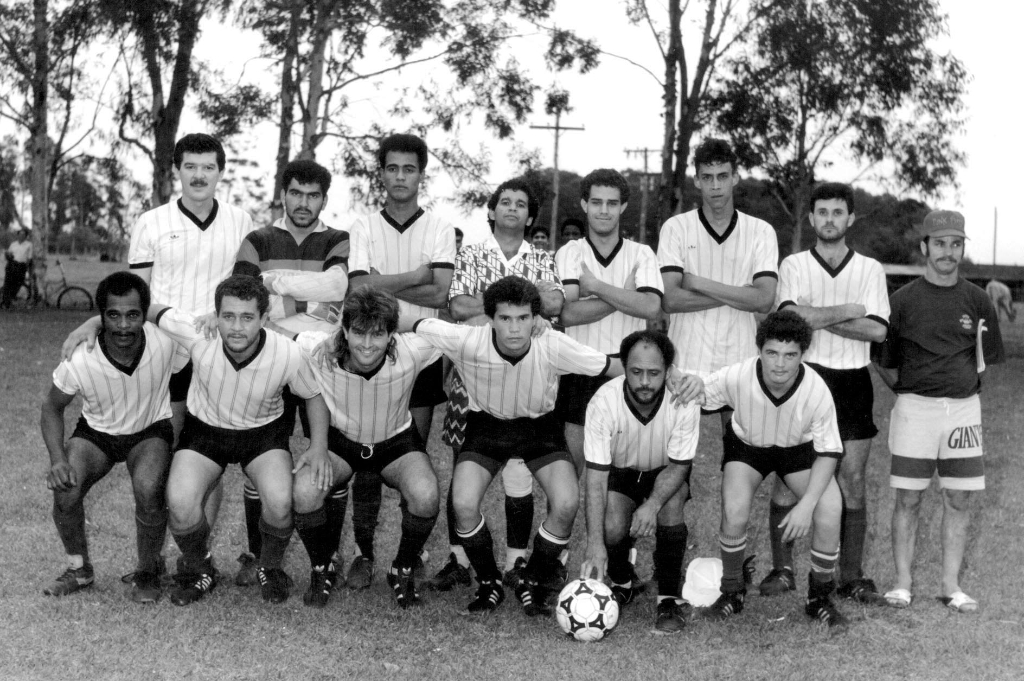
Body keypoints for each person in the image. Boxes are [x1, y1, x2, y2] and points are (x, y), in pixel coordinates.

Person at [411, 276, 617, 615]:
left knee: (566, 503)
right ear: (490, 318)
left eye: (523, 318)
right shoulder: (467, 339)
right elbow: (412, 321)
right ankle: (490, 582)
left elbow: (612, 365)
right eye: (505, 319)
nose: (514, 329)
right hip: (486, 428)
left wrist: (674, 377)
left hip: (540, 430)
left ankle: (531, 576)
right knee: (463, 503)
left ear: (535, 318)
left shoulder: (552, 343)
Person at [148, 275, 330, 605]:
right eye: (228, 316)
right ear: (214, 315)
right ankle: (201, 568)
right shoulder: (197, 332)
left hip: (262, 434)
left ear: (264, 318)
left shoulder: (287, 353)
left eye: (247, 318)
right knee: (179, 502)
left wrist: (318, 446)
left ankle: (270, 567)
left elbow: (313, 395)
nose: (236, 327)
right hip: (206, 430)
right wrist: (90, 324)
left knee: (279, 502)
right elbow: (146, 308)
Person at [429, 178, 564, 593]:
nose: (511, 209)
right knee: (465, 466)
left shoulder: (543, 257)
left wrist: (489, 309)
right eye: (504, 202)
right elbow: (457, 305)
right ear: (491, 210)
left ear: (530, 215)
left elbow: (555, 303)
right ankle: (459, 558)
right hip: (471, 377)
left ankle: (515, 561)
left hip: (528, 377)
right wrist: (518, 307)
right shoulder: (470, 253)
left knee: (519, 471)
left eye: (520, 204)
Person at [762, 182, 890, 603]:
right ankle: (782, 570)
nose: (830, 219)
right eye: (823, 212)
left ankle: (850, 575)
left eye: (838, 212)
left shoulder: (869, 268)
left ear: (850, 218)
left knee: (852, 479)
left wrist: (814, 317)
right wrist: (850, 309)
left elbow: (876, 330)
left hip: (853, 380)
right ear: (811, 218)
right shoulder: (794, 264)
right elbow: (788, 319)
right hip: (805, 378)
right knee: (788, 477)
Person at [874, 210, 1003, 613]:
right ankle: (902, 583)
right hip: (915, 411)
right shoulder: (903, 300)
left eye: (956, 243)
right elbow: (883, 359)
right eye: (941, 243)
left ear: (963, 248)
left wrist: (957, 391)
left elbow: (985, 359)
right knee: (908, 500)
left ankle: (951, 586)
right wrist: (908, 392)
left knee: (959, 501)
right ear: (924, 247)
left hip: (963, 412)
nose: (949, 252)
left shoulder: (978, 299)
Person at [344, 133, 456, 589]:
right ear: (382, 173)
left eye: (409, 169)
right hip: (370, 351)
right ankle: (362, 553)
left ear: (421, 174)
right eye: (392, 168)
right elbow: (357, 290)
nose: (400, 177)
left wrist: (379, 284)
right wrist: (413, 276)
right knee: (367, 455)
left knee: (412, 451)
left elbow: (441, 293)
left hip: (423, 352)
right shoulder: (364, 225)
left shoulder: (440, 227)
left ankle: (412, 554)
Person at [231, 158, 350, 586]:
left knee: (328, 454)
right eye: (296, 193)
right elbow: (245, 298)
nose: (303, 203)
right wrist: (306, 305)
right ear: (283, 193)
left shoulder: (338, 239)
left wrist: (274, 282)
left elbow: (337, 289)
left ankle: (330, 556)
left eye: (313, 195)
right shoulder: (257, 239)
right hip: (271, 358)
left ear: (323, 199)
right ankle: (258, 556)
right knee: (260, 456)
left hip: (322, 360)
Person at [283, 286, 440, 609]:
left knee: (426, 495)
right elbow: (275, 334)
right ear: (344, 330)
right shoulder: (319, 349)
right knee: (304, 492)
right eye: (358, 333)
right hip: (343, 441)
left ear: (392, 334)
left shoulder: (413, 350)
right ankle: (322, 566)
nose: (367, 345)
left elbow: (462, 332)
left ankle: (403, 568)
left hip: (395, 441)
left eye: (378, 334)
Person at [40, 272, 187, 602]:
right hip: (98, 433)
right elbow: (51, 408)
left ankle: (148, 570)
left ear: (144, 314)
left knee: (148, 488)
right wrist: (58, 460)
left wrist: (176, 436)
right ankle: (79, 570)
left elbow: (182, 380)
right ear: (100, 316)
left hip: (149, 430)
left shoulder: (165, 342)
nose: (123, 325)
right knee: (67, 489)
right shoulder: (80, 358)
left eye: (133, 314)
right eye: (113, 315)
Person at [702, 310, 847, 627]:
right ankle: (732, 591)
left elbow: (829, 452)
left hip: (798, 450)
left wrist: (806, 505)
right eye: (772, 353)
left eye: (790, 355)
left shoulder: (816, 390)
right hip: (749, 447)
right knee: (735, 510)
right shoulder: (738, 375)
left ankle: (818, 597)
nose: (780, 363)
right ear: (760, 351)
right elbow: (699, 391)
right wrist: (683, 382)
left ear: (802, 355)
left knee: (830, 508)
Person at [555, 168, 662, 589]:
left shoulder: (642, 254)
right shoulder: (569, 252)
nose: (603, 210)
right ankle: (559, 557)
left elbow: (652, 307)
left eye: (611, 203)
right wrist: (625, 298)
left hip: (628, 374)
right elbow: (566, 313)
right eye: (595, 202)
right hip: (579, 369)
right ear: (583, 205)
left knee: (621, 473)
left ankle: (620, 566)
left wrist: (597, 287)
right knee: (572, 470)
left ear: (623, 207)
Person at [657, 138, 778, 470]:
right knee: (674, 466)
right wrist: (739, 294)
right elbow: (670, 299)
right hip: (684, 359)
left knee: (739, 464)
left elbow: (765, 299)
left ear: (735, 177)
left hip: (740, 360)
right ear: (696, 179)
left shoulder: (761, 232)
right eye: (707, 177)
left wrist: (697, 281)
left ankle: (730, 524)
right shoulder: (676, 228)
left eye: (722, 176)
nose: (715, 186)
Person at [579, 330, 700, 634]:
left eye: (654, 373)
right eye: (636, 372)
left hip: (665, 473)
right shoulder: (603, 402)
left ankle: (668, 598)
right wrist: (595, 543)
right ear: (623, 366)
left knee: (671, 506)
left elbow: (679, 466)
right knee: (611, 524)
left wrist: (652, 504)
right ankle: (624, 583)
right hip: (621, 473)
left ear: (669, 371)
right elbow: (595, 479)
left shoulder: (684, 400)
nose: (645, 381)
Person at [2, 228, 33, 308]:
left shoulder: (29, 245)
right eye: (20, 234)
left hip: (21, 266)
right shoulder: (13, 244)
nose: (21, 236)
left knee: (17, 284)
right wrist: (7, 255)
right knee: (7, 284)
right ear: (18, 235)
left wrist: (26, 268)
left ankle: (11, 299)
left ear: (26, 236)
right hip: (12, 265)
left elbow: (29, 258)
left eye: (23, 235)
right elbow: (8, 254)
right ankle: (5, 303)